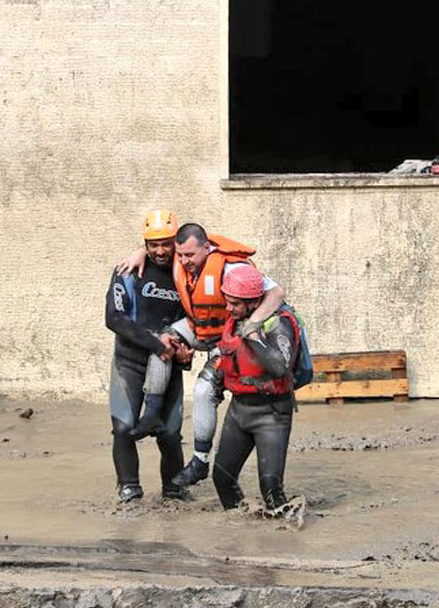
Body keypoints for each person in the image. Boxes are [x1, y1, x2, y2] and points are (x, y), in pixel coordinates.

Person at [118, 223, 285, 489]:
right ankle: (151, 412)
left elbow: (277, 292)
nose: (184, 261)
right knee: (163, 338)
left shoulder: (232, 269)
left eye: (190, 256)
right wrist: (140, 251)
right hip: (201, 328)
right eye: (180, 255)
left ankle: (200, 460)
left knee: (203, 389)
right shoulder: (180, 256)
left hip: (229, 336)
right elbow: (159, 245)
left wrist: (251, 326)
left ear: (206, 248)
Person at [105, 210, 191, 502]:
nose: (159, 251)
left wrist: (184, 353)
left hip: (168, 364)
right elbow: (114, 319)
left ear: (175, 242)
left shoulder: (187, 272)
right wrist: (156, 343)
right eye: (152, 245)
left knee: (169, 434)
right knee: (123, 428)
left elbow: (196, 322)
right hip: (129, 362)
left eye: (166, 243)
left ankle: (174, 491)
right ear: (144, 243)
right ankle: (129, 489)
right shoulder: (127, 271)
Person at [210, 264, 300, 510]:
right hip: (239, 411)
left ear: (254, 302)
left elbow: (280, 367)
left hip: (271, 414)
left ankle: (280, 540)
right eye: (228, 302)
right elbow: (229, 358)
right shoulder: (234, 320)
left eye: (235, 304)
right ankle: (239, 533)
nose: (229, 308)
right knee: (221, 478)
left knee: (270, 489)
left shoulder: (278, 324)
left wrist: (254, 337)